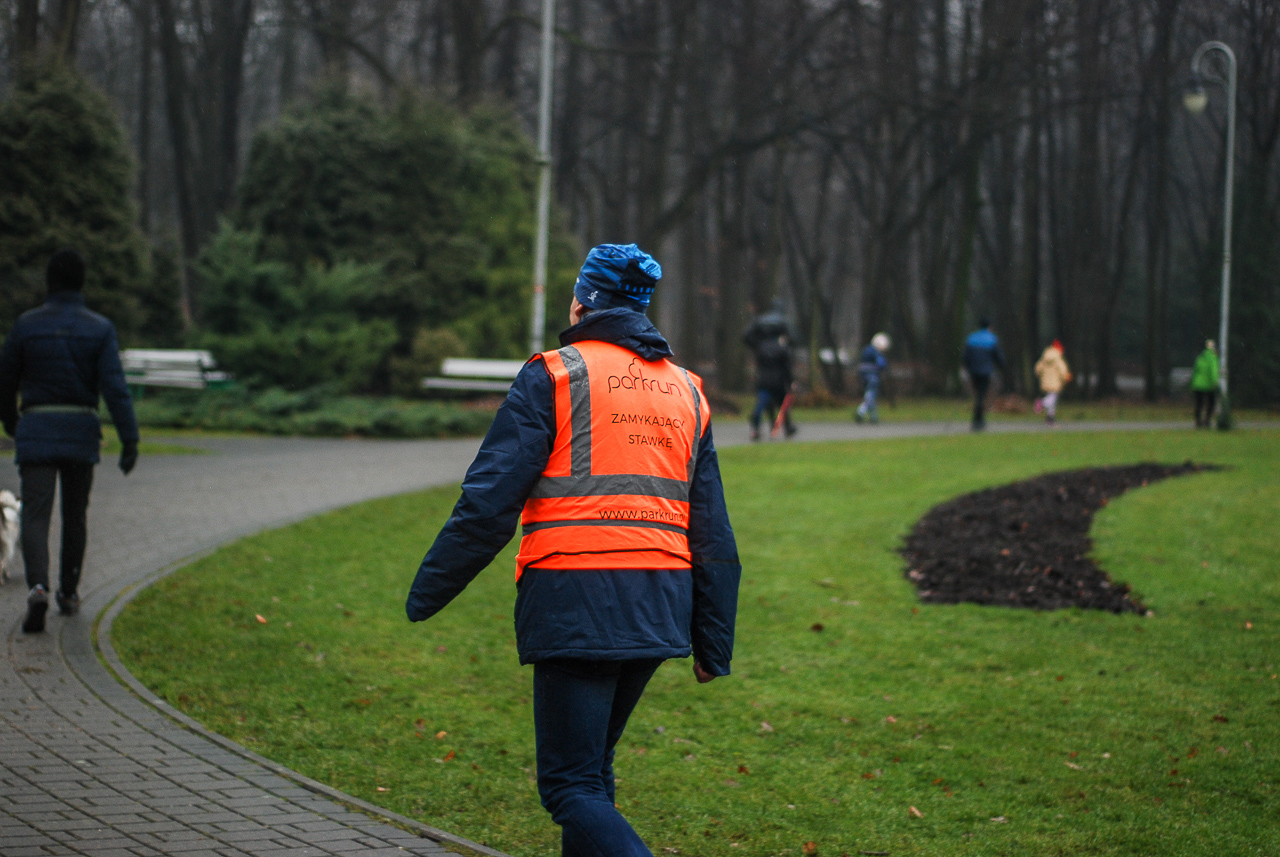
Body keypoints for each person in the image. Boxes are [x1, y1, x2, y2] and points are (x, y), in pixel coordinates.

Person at [405, 243, 740, 857]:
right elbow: (711, 527)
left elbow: (488, 500)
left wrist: (428, 591)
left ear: (581, 301)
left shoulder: (556, 373)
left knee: (569, 786)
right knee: (593, 776)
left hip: (575, 597)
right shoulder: (687, 390)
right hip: (659, 601)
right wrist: (713, 641)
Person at [0, 248, 139, 633]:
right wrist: (130, 439)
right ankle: (69, 593)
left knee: (36, 514)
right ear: (81, 282)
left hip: (37, 431)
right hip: (80, 432)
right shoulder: (99, 328)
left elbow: (5, 380)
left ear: (49, 282)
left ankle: (39, 587)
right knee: (75, 515)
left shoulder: (27, 325)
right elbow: (115, 388)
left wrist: (13, 422)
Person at [743, 299, 796, 441]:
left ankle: (755, 427)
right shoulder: (782, 347)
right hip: (778, 379)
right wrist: (790, 381)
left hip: (764, 378)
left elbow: (746, 336)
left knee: (762, 402)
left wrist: (757, 345)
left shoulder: (762, 346)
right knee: (782, 401)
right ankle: (787, 426)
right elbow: (786, 366)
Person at [962, 319, 1006, 431]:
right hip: (985, 371)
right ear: (989, 326)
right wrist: (1002, 366)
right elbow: (998, 356)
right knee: (981, 395)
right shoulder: (991, 339)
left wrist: (967, 367)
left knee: (978, 394)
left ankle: (977, 419)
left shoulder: (972, 338)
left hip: (973, 371)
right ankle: (979, 421)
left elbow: (966, 356)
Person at [854, 333, 890, 424]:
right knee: (871, 394)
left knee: (870, 395)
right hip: (872, 376)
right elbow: (881, 364)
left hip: (863, 375)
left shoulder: (867, 350)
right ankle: (861, 411)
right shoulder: (875, 352)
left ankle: (873, 416)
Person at [1034, 340, 1071, 426]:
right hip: (1055, 382)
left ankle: (1050, 419)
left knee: (1052, 400)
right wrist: (1066, 376)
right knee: (1052, 399)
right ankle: (1041, 403)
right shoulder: (1058, 359)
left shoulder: (1044, 357)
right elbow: (1063, 370)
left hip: (1045, 382)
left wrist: (1041, 376)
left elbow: (1037, 369)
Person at [1190, 339, 1220, 428]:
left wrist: (1193, 383)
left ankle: (1198, 421)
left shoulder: (1200, 357)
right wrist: (1215, 382)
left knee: (1199, 403)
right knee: (1211, 403)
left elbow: (1195, 370)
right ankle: (1207, 420)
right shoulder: (1213, 357)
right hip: (1208, 384)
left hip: (1197, 384)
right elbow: (1213, 371)